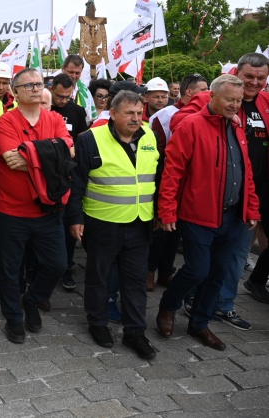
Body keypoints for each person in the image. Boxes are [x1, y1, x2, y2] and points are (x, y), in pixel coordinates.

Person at [156, 74, 260, 351]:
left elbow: (245, 170)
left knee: (219, 272)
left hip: (233, 217)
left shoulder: (237, 127)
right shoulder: (191, 126)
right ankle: (168, 306)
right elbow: (172, 172)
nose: (234, 105)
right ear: (211, 97)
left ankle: (200, 323)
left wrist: (251, 207)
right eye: (229, 99)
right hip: (197, 215)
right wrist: (167, 211)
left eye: (238, 101)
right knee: (197, 270)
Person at [68, 90, 160, 359]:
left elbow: (158, 174)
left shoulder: (149, 136)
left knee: (134, 280)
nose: (136, 118)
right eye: (129, 113)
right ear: (113, 112)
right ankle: (97, 324)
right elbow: (77, 182)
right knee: (98, 277)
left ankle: (135, 332)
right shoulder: (89, 139)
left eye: (139, 113)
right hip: (102, 222)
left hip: (140, 221)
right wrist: (75, 218)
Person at [0, 68, 73, 344]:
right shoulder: (5, 122)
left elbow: (69, 151)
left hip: (48, 208)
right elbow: (10, 158)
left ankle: (33, 300)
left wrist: (31, 155)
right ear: (15, 93)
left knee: (57, 264)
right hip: (12, 210)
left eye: (39, 84)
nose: (37, 88)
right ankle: (13, 319)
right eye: (29, 85)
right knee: (10, 269)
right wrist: (51, 154)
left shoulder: (54, 118)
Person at [146, 74, 208, 292]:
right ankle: (150, 269)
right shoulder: (164, 116)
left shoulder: (210, 113)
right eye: (203, 90)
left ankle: (166, 270)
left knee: (176, 231)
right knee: (161, 227)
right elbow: (157, 153)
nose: (208, 94)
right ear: (189, 92)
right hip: (168, 176)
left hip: (193, 182)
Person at [50, 73, 89, 291]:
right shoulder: (46, 108)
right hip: (47, 174)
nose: (63, 101)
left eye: (67, 96)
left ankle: (66, 267)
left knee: (69, 224)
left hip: (69, 173)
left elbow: (82, 141)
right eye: (59, 96)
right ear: (52, 89)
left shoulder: (76, 111)